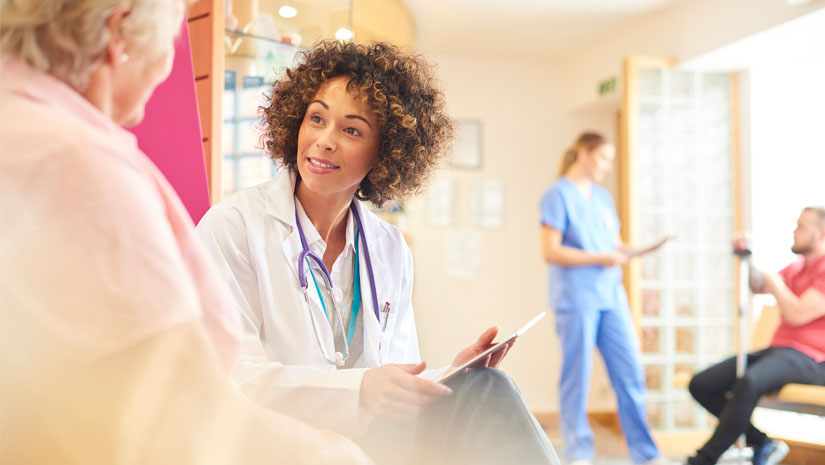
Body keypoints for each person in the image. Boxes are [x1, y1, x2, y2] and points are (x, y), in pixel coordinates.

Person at [0, 1, 372, 464]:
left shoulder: (24, 128)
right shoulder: (78, 167)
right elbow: (179, 417)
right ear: (119, 36)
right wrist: (338, 456)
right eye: (176, 32)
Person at [195, 40, 560, 465]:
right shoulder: (234, 227)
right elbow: (226, 378)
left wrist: (447, 376)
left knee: (487, 390)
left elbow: (396, 378)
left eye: (351, 130)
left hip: (371, 442)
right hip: (278, 445)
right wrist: (358, 391)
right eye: (316, 119)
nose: (324, 141)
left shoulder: (389, 248)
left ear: (385, 153)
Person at [539, 132, 672, 465]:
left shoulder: (602, 197)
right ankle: (578, 453)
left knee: (630, 372)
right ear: (583, 154)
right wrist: (600, 258)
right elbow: (550, 251)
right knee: (577, 380)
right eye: (602, 158)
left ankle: (645, 453)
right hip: (576, 298)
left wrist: (646, 249)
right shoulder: (557, 195)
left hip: (611, 296)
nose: (606, 167)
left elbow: (615, 245)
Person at [686, 206, 825, 465]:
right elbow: (757, 285)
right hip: (780, 351)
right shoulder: (796, 268)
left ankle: (702, 460)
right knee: (702, 384)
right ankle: (763, 442)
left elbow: (796, 314)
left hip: (813, 359)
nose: (794, 231)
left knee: (749, 382)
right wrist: (745, 258)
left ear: (821, 233)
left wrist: (772, 278)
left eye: (801, 226)